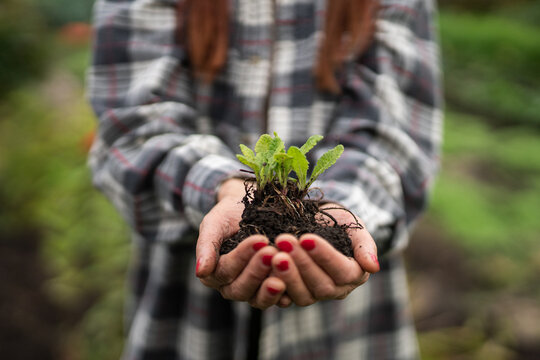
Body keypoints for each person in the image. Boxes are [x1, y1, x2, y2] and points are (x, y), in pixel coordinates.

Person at [87, 0, 442, 358]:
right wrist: (222, 186)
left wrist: (340, 216)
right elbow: (134, 127)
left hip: (350, 333)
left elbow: (394, 139)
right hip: (184, 316)